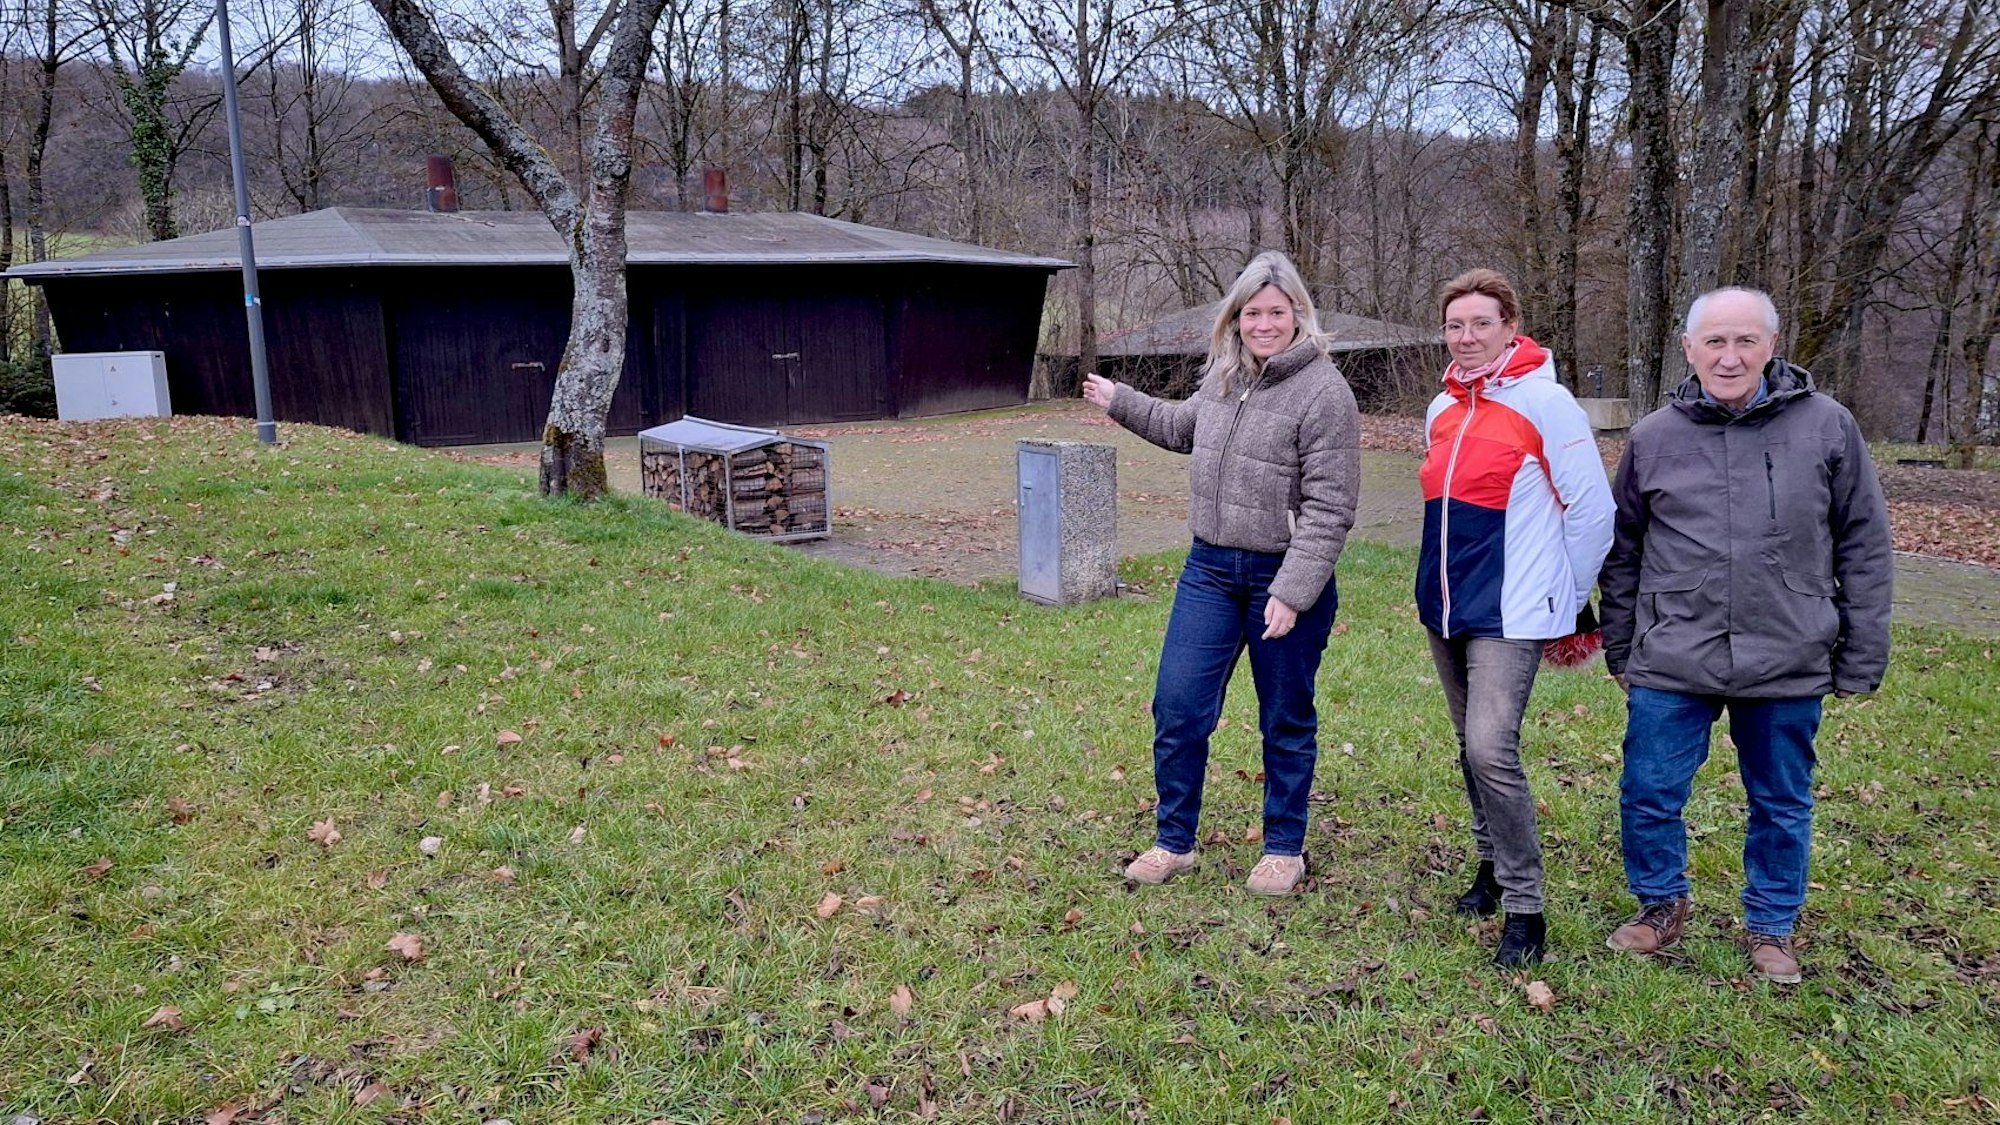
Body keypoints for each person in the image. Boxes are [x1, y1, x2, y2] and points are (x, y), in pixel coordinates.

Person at [1598, 286, 1893, 984]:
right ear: (1690, 348)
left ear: (1771, 345)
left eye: (1745, 341)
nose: (1730, 357)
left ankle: (1770, 924)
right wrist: (1620, 646)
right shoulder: (1654, 437)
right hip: (1676, 651)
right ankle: (1661, 904)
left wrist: (1861, 652)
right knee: (1648, 790)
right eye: (1716, 342)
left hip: (1788, 647)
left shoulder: (1827, 427)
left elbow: (1864, 545)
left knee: (1781, 799)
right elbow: (1624, 551)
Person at [1082, 250, 1360, 896]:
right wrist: (1119, 400)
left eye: (1275, 312)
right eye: (1251, 313)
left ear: (1297, 314)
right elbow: (1183, 429)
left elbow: (1331, 506)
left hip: (1283, 577)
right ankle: (1174, 840)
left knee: (1285, 715)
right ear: (1235, 319)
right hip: (1209, 569)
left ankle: (1284, 847)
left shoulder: (1324, 391)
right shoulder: (1225, 380)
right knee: (1178, 705)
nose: (1263, 323)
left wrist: (1293, 591)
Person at [1416, 269, 1613, 967]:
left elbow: (1594, 512)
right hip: (1446, 605)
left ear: (1510, 326)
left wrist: (1565, 599)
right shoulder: (1441, 408)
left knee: (1491, 748)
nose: (1466, 337)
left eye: (1480, 323)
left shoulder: (1547, 403)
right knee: (1468, 746)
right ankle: (1491, 868)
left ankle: (1526, 906)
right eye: (1454, 325)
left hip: (1515, 608)